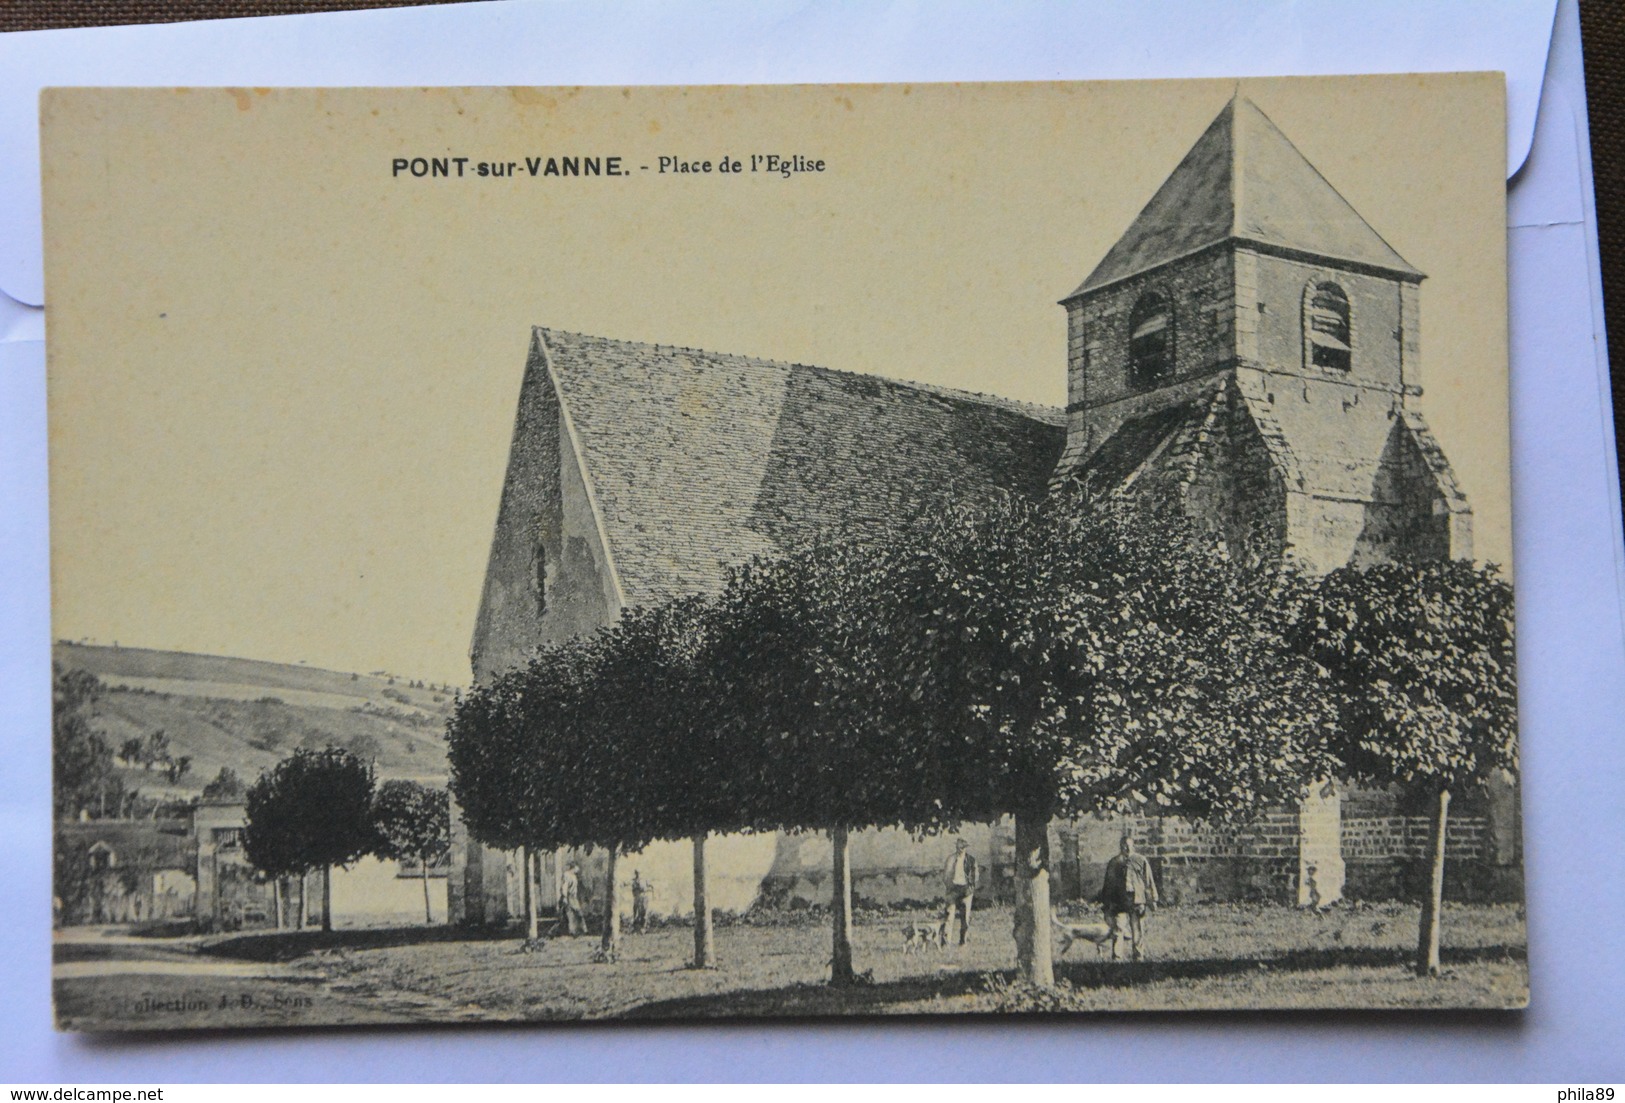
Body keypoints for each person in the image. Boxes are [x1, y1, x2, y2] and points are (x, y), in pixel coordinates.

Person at [1100, 833, 1158, 960]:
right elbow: (1108, 883)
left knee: (1137, 927)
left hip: (1136, 899)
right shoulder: (1114, 862)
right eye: (1123, 846)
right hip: (1119, 900)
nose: (1126, 848)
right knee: (1118, 928)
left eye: (1129, 845)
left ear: (1133, 846)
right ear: (1120, 847)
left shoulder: (1141, 860)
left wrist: (1152, 899)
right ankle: (1117, 956)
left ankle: (1138, 955)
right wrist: (1107, 902)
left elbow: (1148, 881)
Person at [941, 838, 979, 946]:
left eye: (963, 847)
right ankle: (945, 942)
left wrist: (970, 887)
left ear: (966, 848)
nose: (961, 849)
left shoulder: (971, 860)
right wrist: (950, 887)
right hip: (953, 889)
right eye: (959, 847)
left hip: (966, 890)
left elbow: (975, 876)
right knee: (949, 915)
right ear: (956, 847)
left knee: (965, 918)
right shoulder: (951, 859)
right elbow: (946, 876)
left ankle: (963, 941)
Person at [559, 861, 584, 936]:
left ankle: (577, 930)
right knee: (571, 914)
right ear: (574, 867)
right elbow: (564, 886)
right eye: (577, 867)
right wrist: (564, 897)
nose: (578, 869)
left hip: (573, 897)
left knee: (576, 913)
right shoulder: (566, 875)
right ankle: (573, 931)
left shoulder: (574, 876)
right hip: (568, 896)